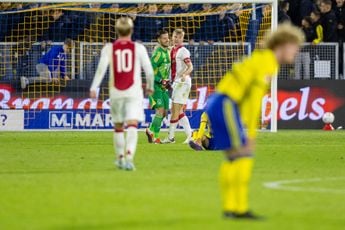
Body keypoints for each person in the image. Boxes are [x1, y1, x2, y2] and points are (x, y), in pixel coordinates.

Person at [206, 23, 304, 219]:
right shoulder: (267, 62)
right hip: (226, 104)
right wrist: (251, 133)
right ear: (283, 45)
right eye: (295, 46)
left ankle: (231, 208)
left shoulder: (261, 59)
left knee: (234, 157)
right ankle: (238, 209)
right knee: (244, 154)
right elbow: (254, 101)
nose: (297, 51)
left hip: (219, 102)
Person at [89, 17, 154, 171]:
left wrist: (94, 87)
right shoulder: (138, 48)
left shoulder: (109, 48)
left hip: (116, 92)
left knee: (118, 126)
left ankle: (120, 158)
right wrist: (150, 87)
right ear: (131, 30)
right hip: (133, 92)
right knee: (132, 124)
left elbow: (100, 70)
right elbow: (149, 72)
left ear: (116, 31)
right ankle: (129, 157)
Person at [162, 29, 193, 144]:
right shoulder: (172, 50)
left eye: (179, 37)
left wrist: (185, 74)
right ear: (172, 37)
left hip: (183, 82)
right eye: (175, 36)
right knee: (178, 111)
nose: (176, 39)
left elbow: (190, 67)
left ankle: (170, 137)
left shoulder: (183, 51)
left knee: (175, 110)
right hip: (177, 82)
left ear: (182, 39)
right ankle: (190, 135)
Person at [146, 30, 171, 144]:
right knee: (160, 111)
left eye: (167, 37)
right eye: (164, 38)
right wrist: (160, 80)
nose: (167, 40)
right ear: (159, 40)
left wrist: (167, 81)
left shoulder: (167, 52)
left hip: (164, 87)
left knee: (165, 112)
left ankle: (150, 130)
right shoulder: (157, 54)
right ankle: (155, 137)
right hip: (155, 86)